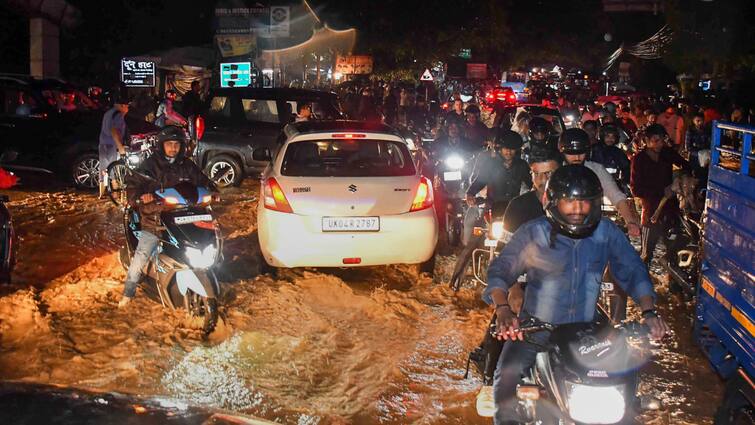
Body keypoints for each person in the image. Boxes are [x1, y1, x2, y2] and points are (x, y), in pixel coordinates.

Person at [485, 164, 669, 425]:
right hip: (536, 329)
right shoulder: (533, 232)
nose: (578, 210)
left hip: (587, 330)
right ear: (552, 201)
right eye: (569, 202)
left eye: (584, 203)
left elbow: (633, 270)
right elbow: (501, 270)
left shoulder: (606, 231)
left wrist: (649, 312)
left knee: (626, 383)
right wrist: (503, 309)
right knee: (506, 379)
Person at [119, 126, 215, 308]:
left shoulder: (186, 164)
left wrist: (214, 190)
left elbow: (202, 180)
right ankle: (128, 292)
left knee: (208, 239)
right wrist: (140, 196)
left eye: (177, 144)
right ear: (162, 145)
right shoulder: (149, 165)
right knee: (142, 254)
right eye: (169, 144)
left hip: (183, 216)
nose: (173, 148)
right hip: (155, 219)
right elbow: (132, 185)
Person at [559, 128, 641, 237]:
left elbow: (616, 196)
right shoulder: (556, 171)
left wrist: (630, 222)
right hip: (562, 228)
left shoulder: (596, 169)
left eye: (581, 152)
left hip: (591, 228)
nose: (577, 157)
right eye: (571, 153)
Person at [630, 124, 690, 266]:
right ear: (646, 140)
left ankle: (672, 281)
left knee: (673, 250)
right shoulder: (639, 160)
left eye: (661, 140)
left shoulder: (667, 153)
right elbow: (636, 189)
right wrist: (661, 192)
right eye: (655, 140)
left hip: (670, 209)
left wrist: (678, 179)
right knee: (646, 254)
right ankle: (641, 284)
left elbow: (685, 166)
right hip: (651, 212)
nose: (659, 144)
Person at [466, 129, 532, 219]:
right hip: (493, 207)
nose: (509, 151)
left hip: (514, 208)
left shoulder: (522, 165)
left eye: (512, 149)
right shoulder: (490, 163)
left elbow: (531, 183)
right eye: (506, 148)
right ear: (500, 149)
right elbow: (480, 181)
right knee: (477, 223)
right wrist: (470, 194)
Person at [501, 148, 561, 241]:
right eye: (536, 174)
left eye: (548, 173)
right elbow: (506, 248)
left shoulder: (572, 205)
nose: (543, 180)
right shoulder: (517, 206)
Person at [98, 96, 130, 198]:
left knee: (104, 169)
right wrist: (120, 147)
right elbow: (114, 130)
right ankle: (116, 195)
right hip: (112, 145)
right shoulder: (118, 114)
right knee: (114, 170)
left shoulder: (108, 113)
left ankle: (102, 194)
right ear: (122, 106)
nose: (128, 109)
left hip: (103, 144)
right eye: (127, 106)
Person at [591, 124, 631, 188]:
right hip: (596, 184)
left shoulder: (618, 152)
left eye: (613, 137)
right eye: (607, 136)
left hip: (613, 184)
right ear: (602, 136)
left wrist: (625, 180)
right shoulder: (594, 149)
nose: (610, 139)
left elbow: (626, 167)